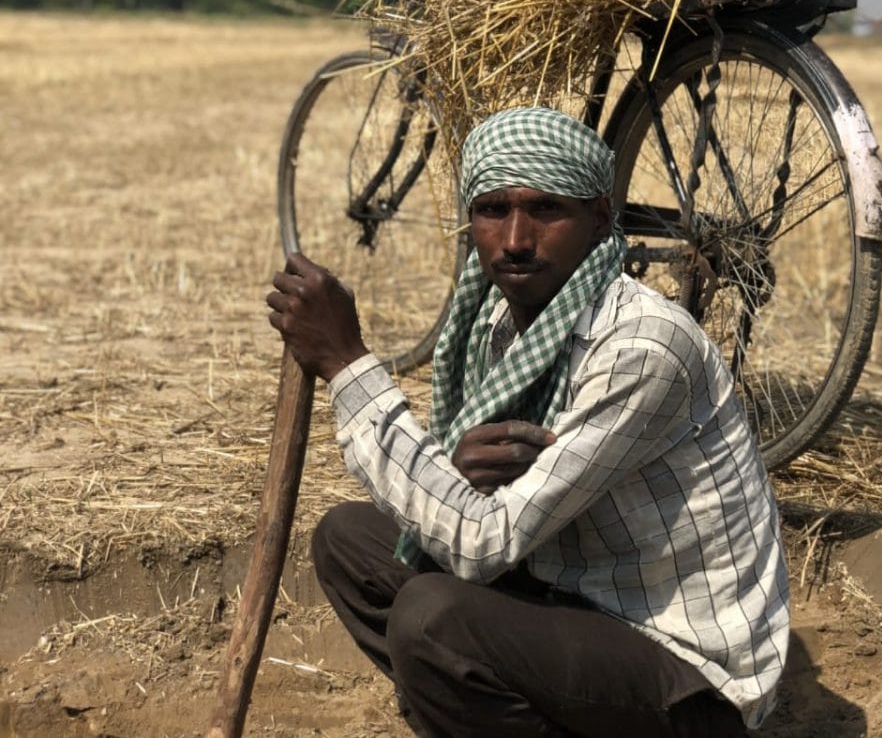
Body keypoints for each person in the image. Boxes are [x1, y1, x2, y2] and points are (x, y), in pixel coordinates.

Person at [266, 106, 789, 737]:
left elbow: (485, 541)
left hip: (685, 676)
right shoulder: (498, 322)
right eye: (492, 210)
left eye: (546, 210)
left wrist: (348, 364)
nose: (515, 239)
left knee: (432, 620)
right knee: (349, 541)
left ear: (599, 219)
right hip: (569, 593)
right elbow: (484, 513)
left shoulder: (641, 348)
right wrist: (455, 469)